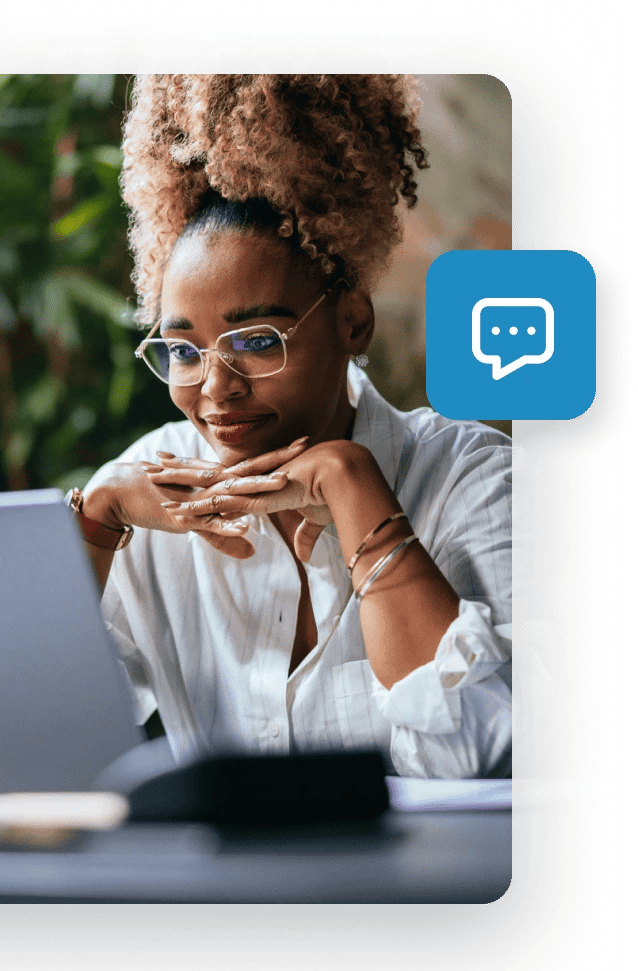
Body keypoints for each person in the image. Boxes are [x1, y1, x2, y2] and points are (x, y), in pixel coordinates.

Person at [69, 74, 513, 779]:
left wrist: (352, 483)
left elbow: (474, 757)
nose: (216, 388)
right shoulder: (146, 492)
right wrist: (93, 521)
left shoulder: (472, 478)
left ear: (352, 322)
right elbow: (41, 741)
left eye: (255, 341)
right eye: (183, 351)